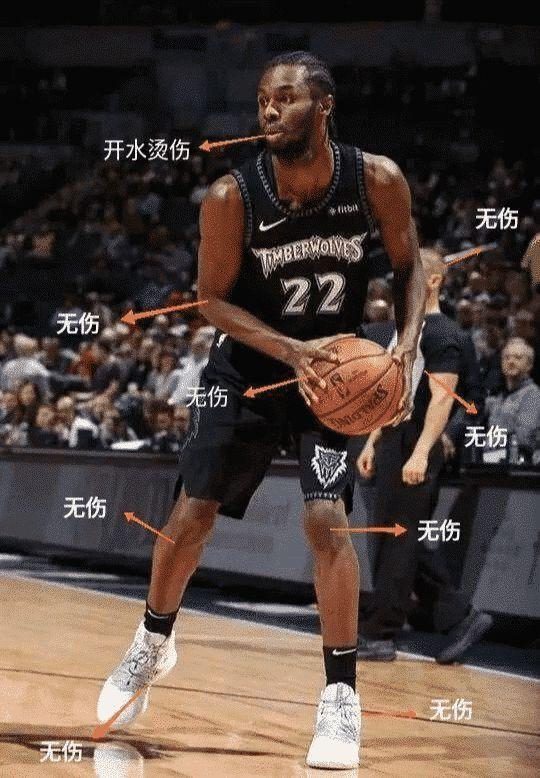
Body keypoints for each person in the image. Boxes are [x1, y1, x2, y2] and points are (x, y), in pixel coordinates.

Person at [97, 51, 426, 770]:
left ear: (324, 106)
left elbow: (410, 267)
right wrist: (288, 350)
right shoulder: (231, 196)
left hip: (333, 375)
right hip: (246, 369)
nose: (269, 109)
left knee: (326, 519)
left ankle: (340, 697)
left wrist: (405, 348)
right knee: (192, 514)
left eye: (284, 97)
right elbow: (210, 300)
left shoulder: (376, 179)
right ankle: (152, 640)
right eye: (261, 100)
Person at [356, 248, 493, 663]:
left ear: (433, 281)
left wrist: (420, 453)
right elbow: (394, 390)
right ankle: (460, 616)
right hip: (394, 438)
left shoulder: (443, 333)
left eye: (408, 275)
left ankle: (381, 633)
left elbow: (442, 398)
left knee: (399, 537)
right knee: (396, 536)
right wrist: (373, 440)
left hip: (418, 441)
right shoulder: (406, 330)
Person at [485, 337, 540, 462]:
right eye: (506, 357)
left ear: (529, 365)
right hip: (493, 463)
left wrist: (489, 440)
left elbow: (524, 437)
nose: (511, 361)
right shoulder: (499, 397)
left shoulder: (533, 395)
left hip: (518, 467)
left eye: (518, 357)